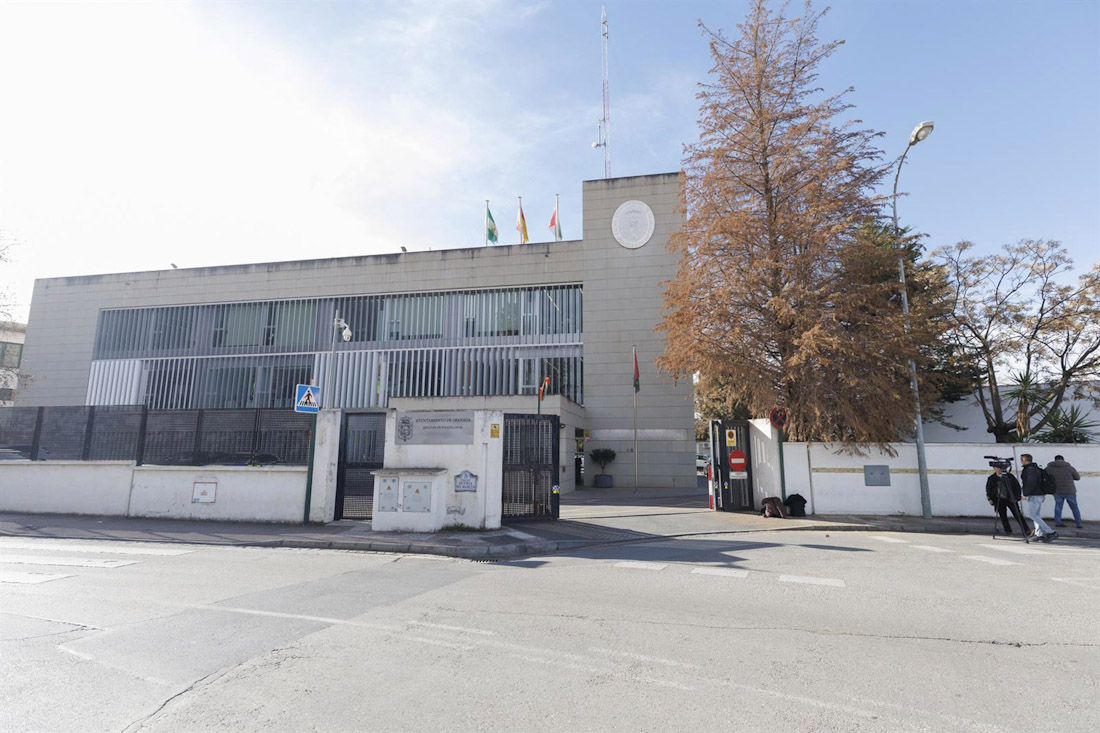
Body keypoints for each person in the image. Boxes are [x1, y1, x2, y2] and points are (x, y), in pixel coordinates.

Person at [1020, 453, 1057, 543]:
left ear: (1025, 460)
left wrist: (1025, 493)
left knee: (1032, 515)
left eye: (1021, 460)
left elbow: (1031, 482)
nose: (1021, 461)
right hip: (1039, 494)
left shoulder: (1030, 470)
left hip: (1034, 495)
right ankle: (1039, 534)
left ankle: (1050, 532)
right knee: (1036, 515)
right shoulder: (1035, 469)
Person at [985, 464, 1025, 535]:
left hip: (1010, 498)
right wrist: (989, 499)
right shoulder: (992, 478)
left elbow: (1017, 487)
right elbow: (988, 489)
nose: (999, 470)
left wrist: (1016, 497)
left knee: (1017, 514)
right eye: (998, 468)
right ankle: (1008, 531)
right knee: (1003, 516)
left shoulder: (1009, 477)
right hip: (999, 499)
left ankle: (1026, 530)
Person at [1045, 454, 1083, 529]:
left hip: (1056, 490)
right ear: (1063, 459)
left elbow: (1044, 477)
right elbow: (1077, 477)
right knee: (1074, 507)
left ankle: (1058, 523)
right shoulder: (1069, 468)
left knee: (1058, 507)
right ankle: (1079, 524)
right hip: (1070, 490)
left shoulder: (1049, 468)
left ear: (1055, 460)